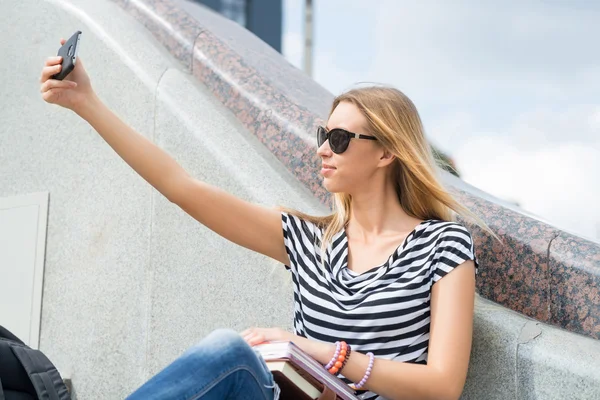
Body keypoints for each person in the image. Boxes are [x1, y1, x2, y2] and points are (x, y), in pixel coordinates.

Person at [39, 38, 498, 400]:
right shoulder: (308, 240)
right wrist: (88, 104)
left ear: (386, 152)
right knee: (232, 355)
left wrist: (322, 353)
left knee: (230, 351)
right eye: (323, 134)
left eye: (339, 139)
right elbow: (183, 188)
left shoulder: (444, 245)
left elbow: (442, 385)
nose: (322, 149)